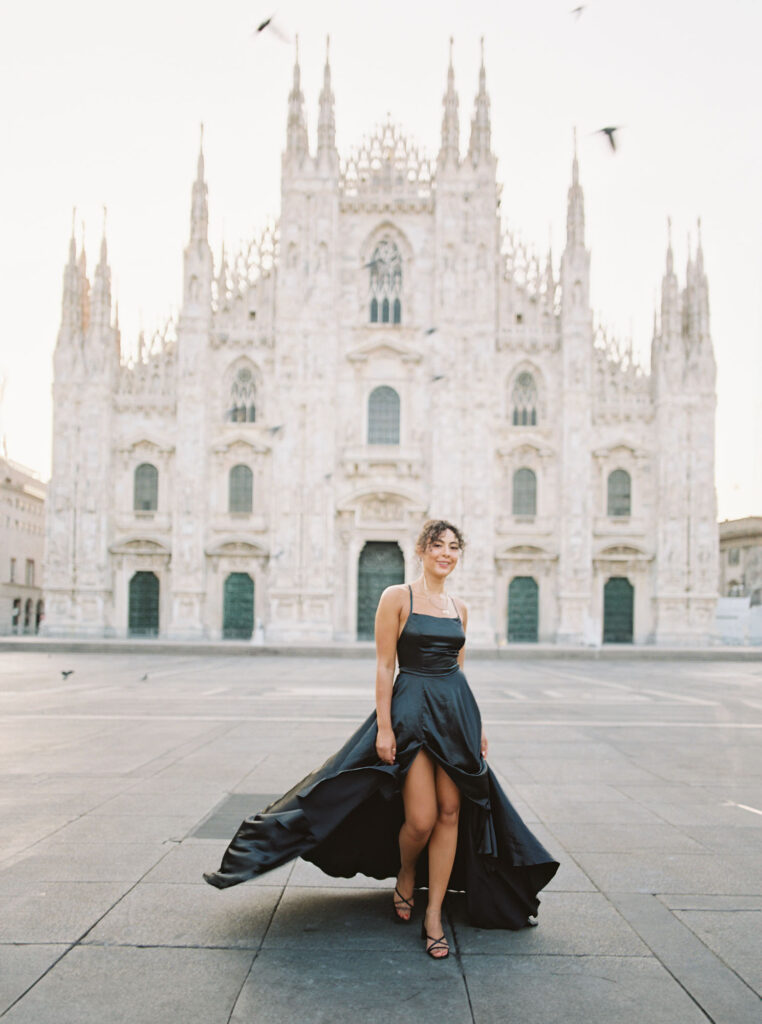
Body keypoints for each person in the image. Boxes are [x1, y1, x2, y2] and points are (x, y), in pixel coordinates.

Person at [204, 519, 559, 958]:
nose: (445, 553)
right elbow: (383, 666)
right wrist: (386, 727)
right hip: (412, 713)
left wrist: (478, 725)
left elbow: (459, 671)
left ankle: (433, 915)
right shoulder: (397, 597)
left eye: (453, 547)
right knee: (422, 819)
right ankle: (407, 871)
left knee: (452, 812)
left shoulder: (459, 607)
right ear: (422, 550)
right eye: (437, 545)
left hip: (455, 716)